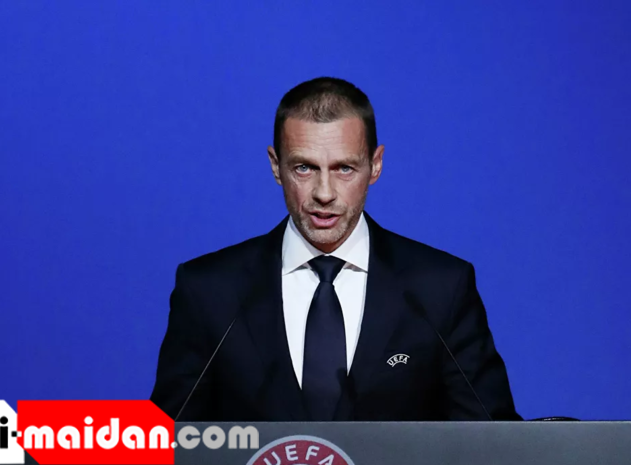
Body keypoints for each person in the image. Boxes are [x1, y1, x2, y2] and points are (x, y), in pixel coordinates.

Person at [150, 77, 521, 421]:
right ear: (276, 166)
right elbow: (160, 442)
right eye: (304, 168)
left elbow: (496, 441)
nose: (324, 193)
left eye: (344, 168)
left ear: (375, 165)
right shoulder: (209, 290)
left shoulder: (440, 289)